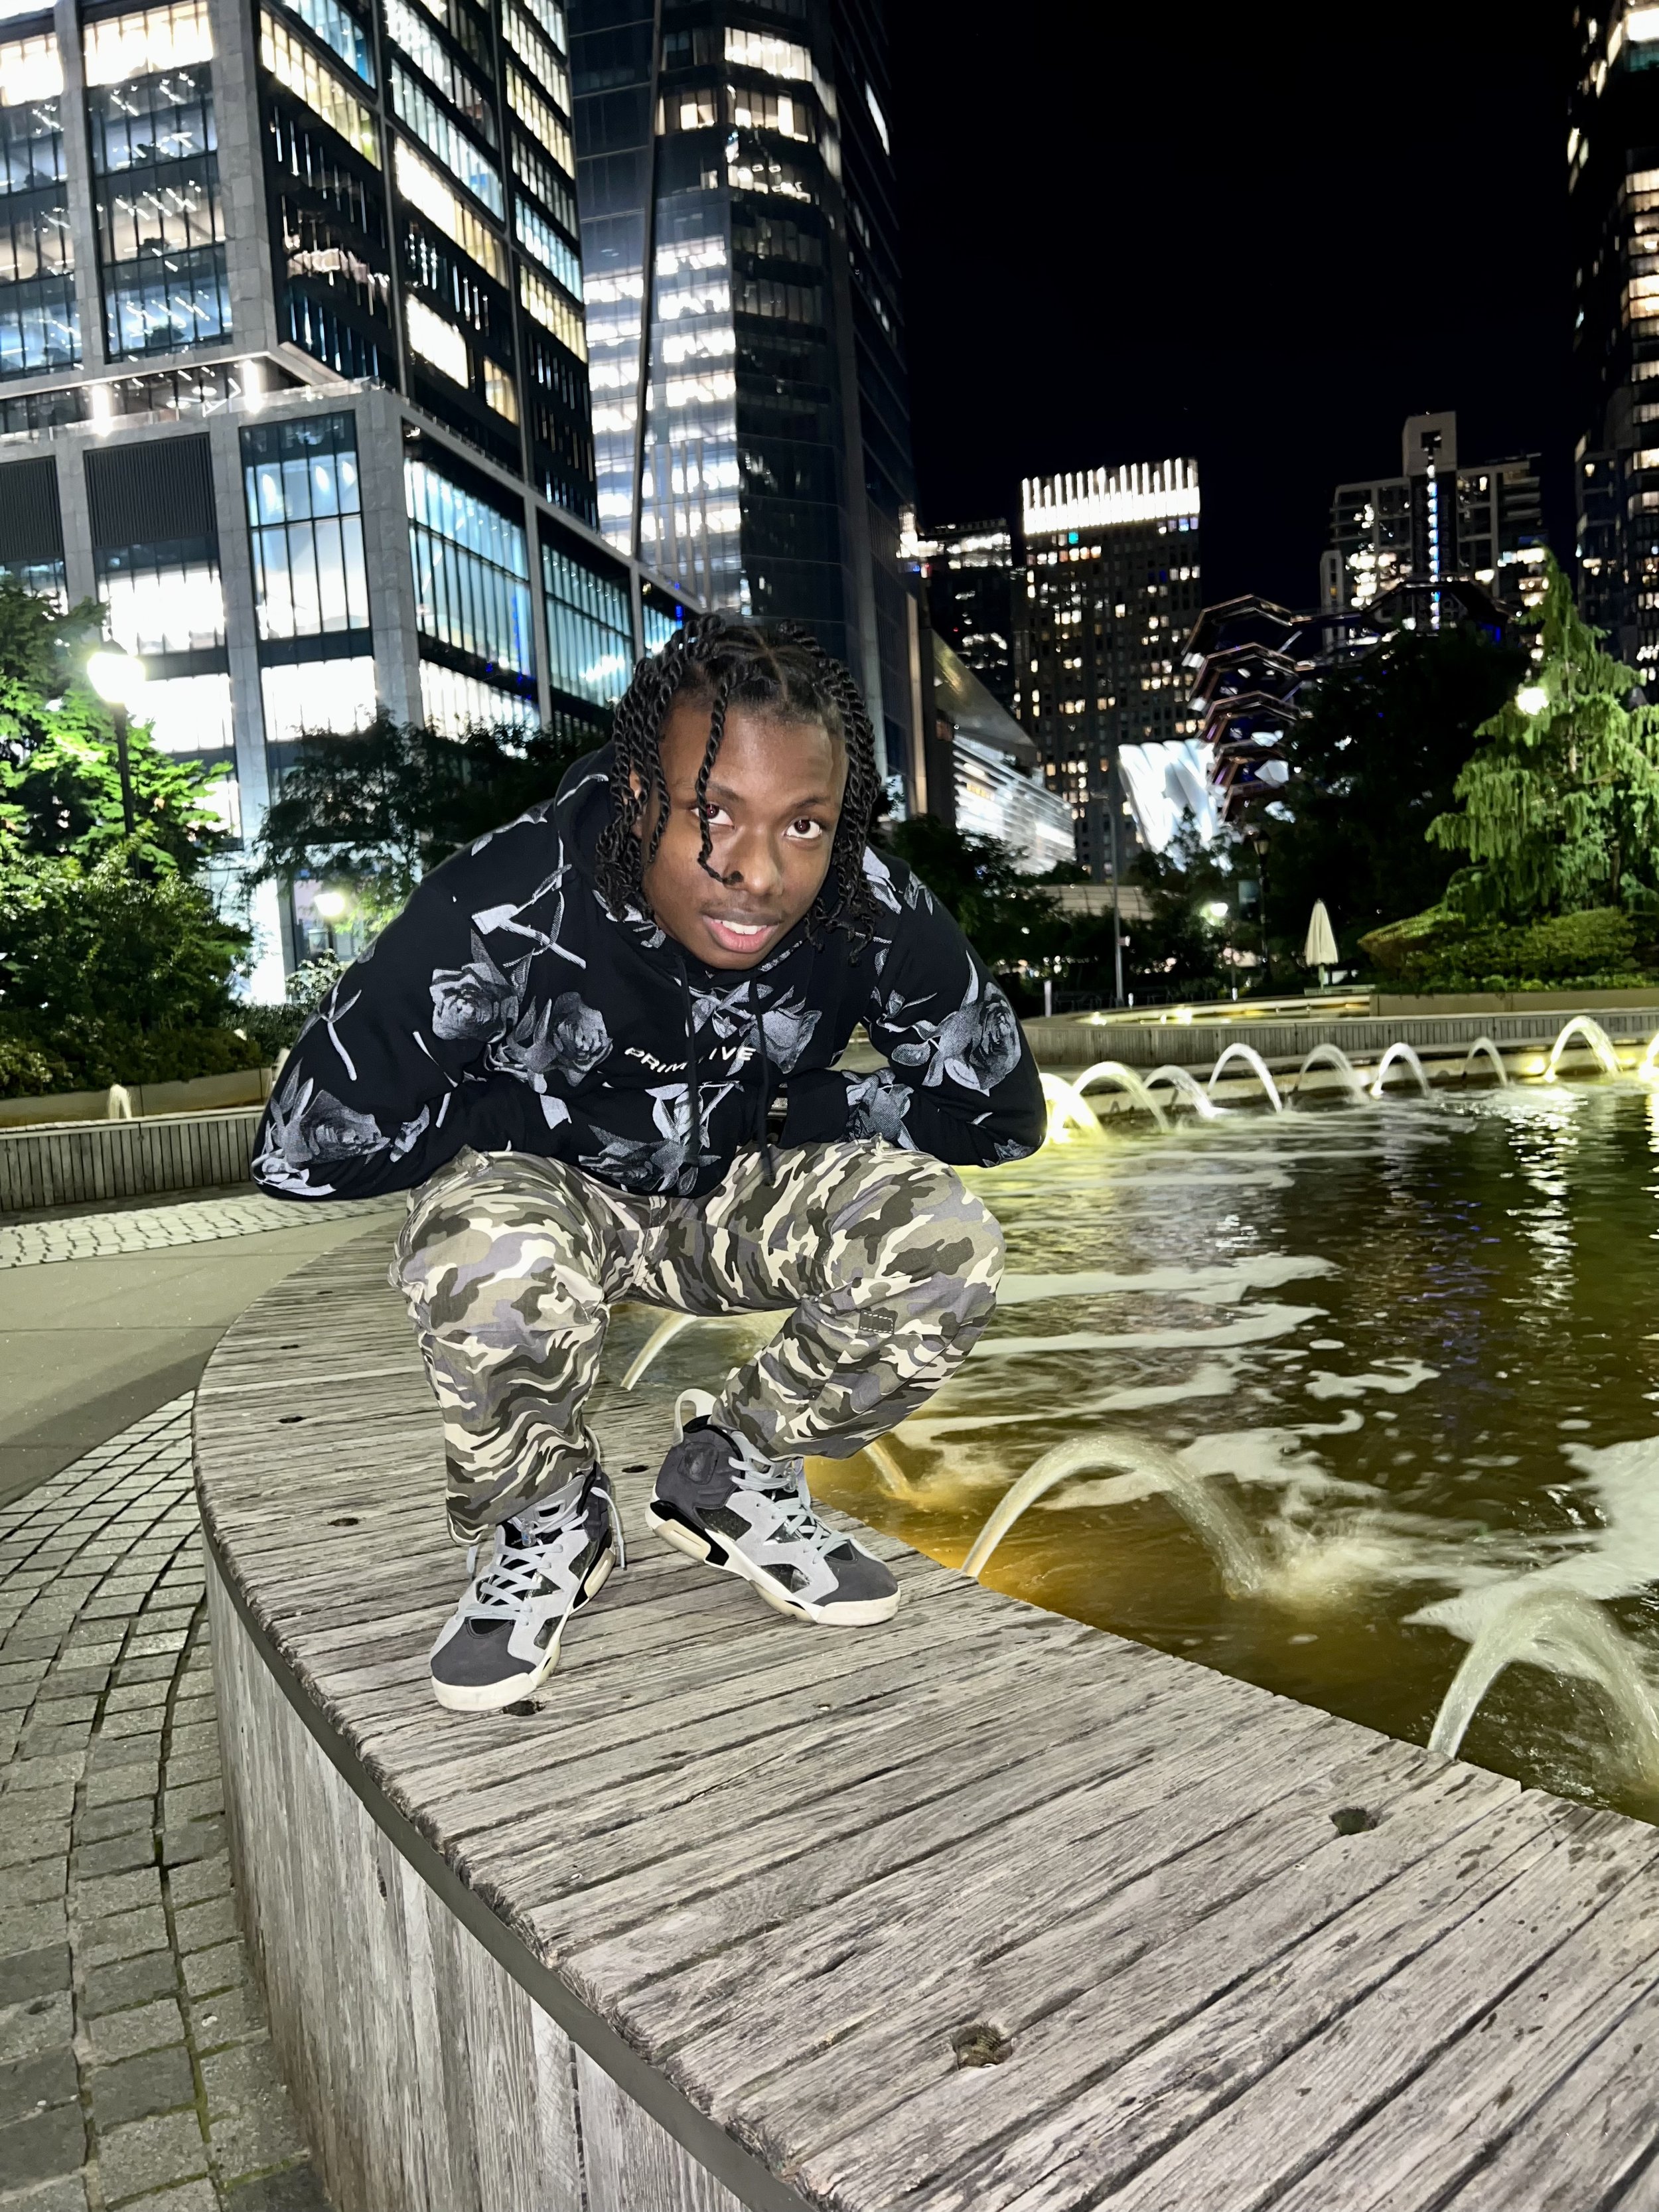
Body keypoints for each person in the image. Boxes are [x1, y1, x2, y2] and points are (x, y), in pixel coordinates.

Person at [252, 617, 1045, 1712]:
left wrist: (785, 1103)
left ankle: (736, 1468)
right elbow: (302, 1145)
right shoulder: (514, 898)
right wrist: (536, 1110)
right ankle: (548, 1515)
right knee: (489, 1254)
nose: (758, 874)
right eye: (711, 813)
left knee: (943, 1240)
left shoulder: (865, 902)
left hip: (730, 1189)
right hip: (554, 1182)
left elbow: (1001, 1115)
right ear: (637, 792)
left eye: (805, 824)